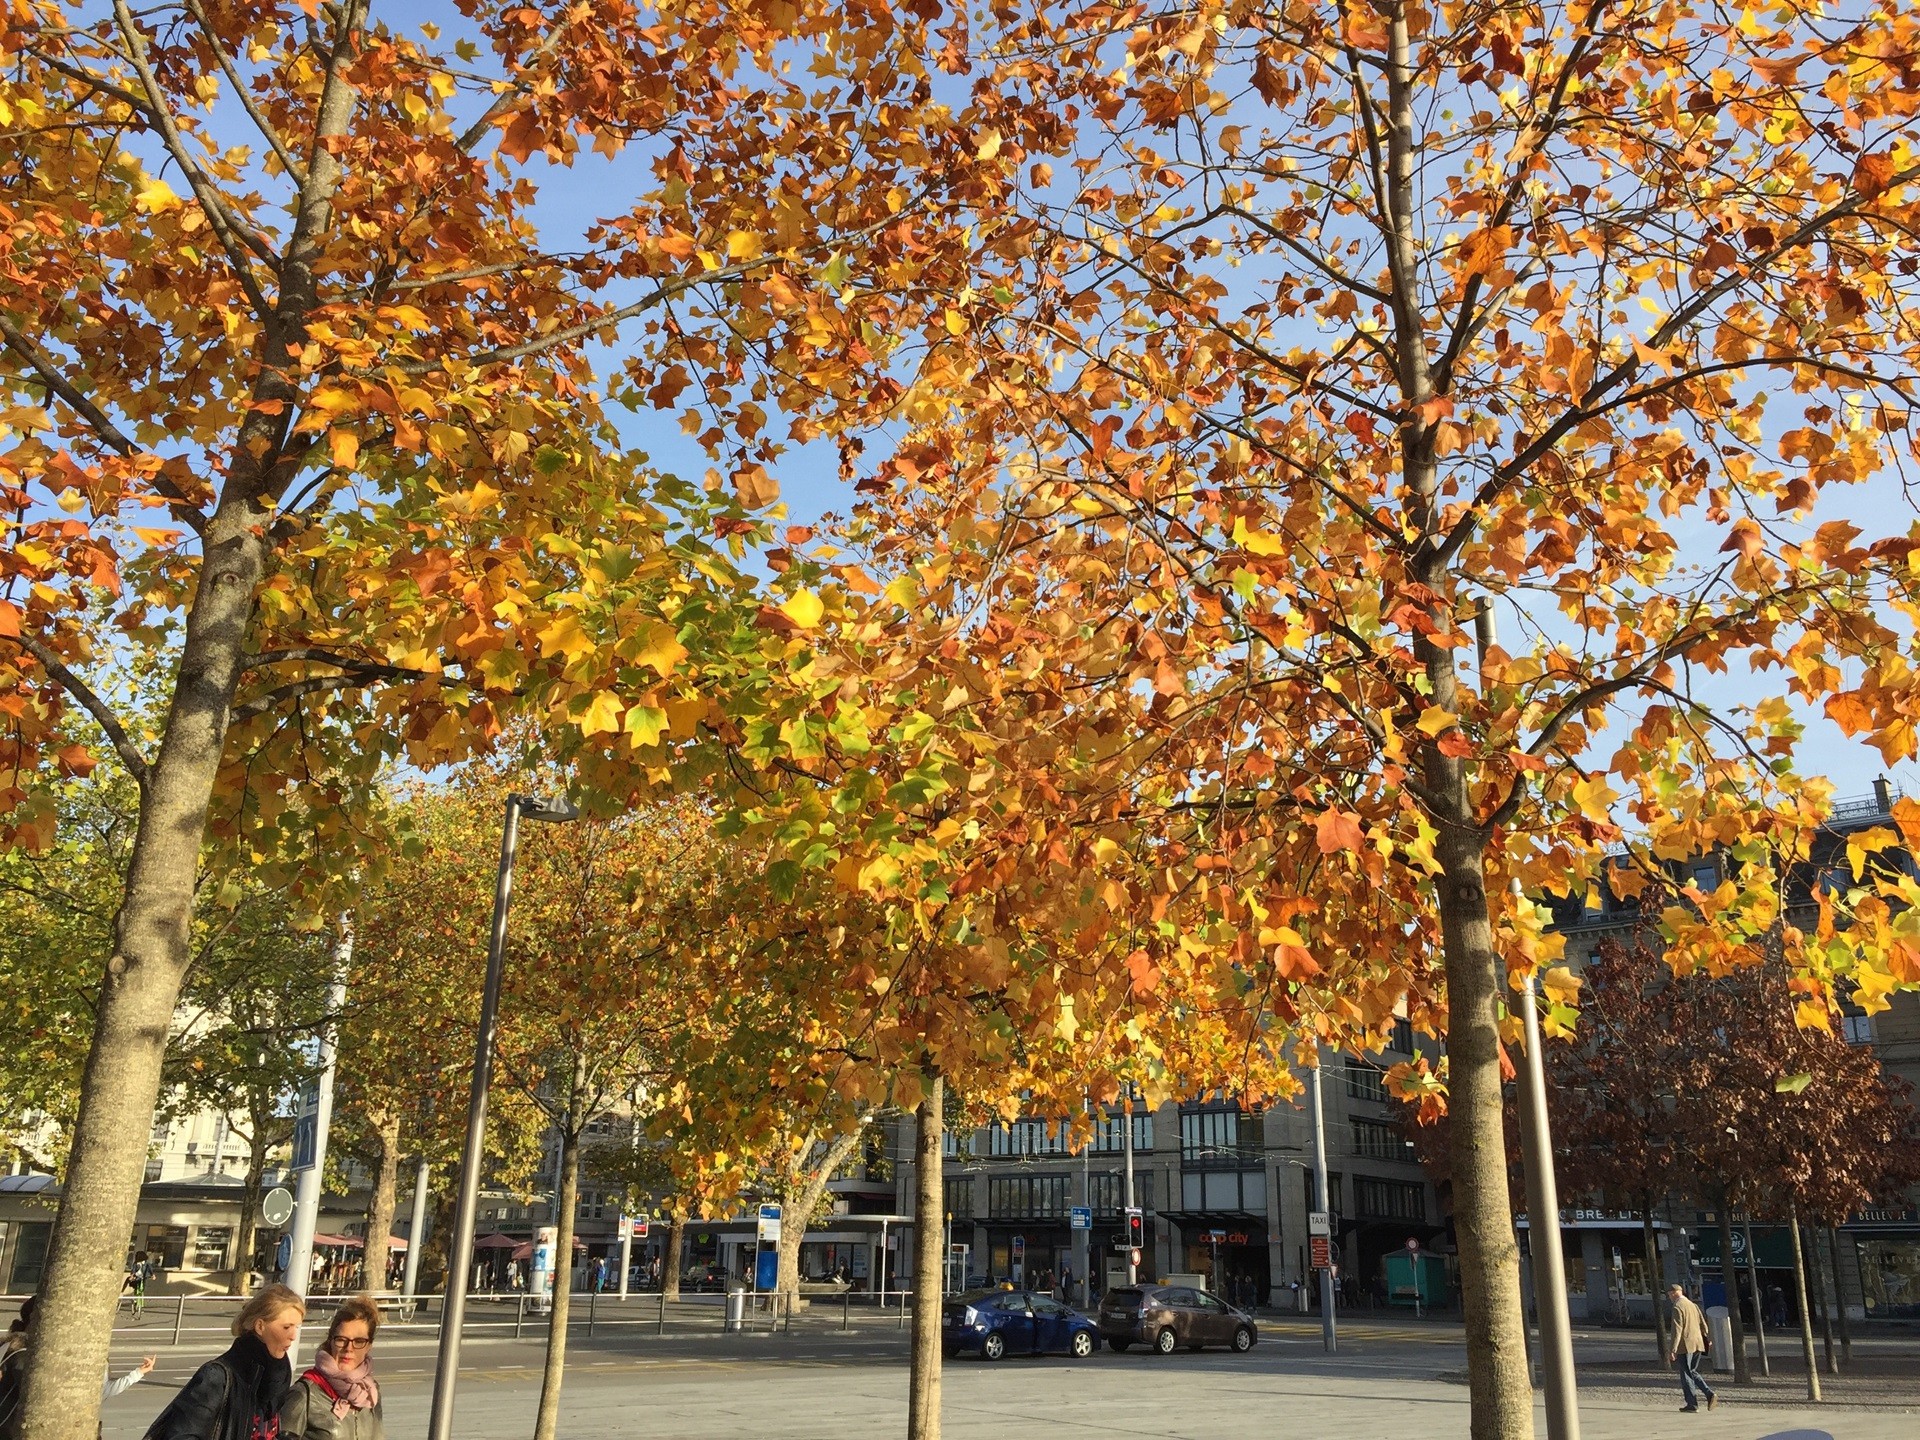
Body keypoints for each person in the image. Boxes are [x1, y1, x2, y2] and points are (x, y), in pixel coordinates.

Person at [141, 1282, 305, 1440]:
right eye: (286, 1327)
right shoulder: (217, 1376)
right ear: (260, 1326)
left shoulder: (278, 1376)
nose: (293, 1336)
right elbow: (183, 1434)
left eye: (296, 1327)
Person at [279, 1295, 383, 1440]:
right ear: (331, 1341)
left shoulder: (371, 1392)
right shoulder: (304, 1394)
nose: (349, 1348)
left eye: (359, 1341)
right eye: (341, 1340)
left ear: (369, 1346)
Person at [1666, 1282, 1718, 1413]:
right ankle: (1705, 1396)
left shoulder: (1678, 1307)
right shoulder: (1693, 1305)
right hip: (1698, 1343)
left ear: (1673, 1293)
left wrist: (1673, 1349)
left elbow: (1677, 1330)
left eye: (1669, 1295)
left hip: (1685, 1345)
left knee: (1686, 1374)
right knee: (1692, 1371)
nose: (1669, 1297)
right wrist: (1707, 1338)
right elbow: (1703, 1324)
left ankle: (1697, 1401)